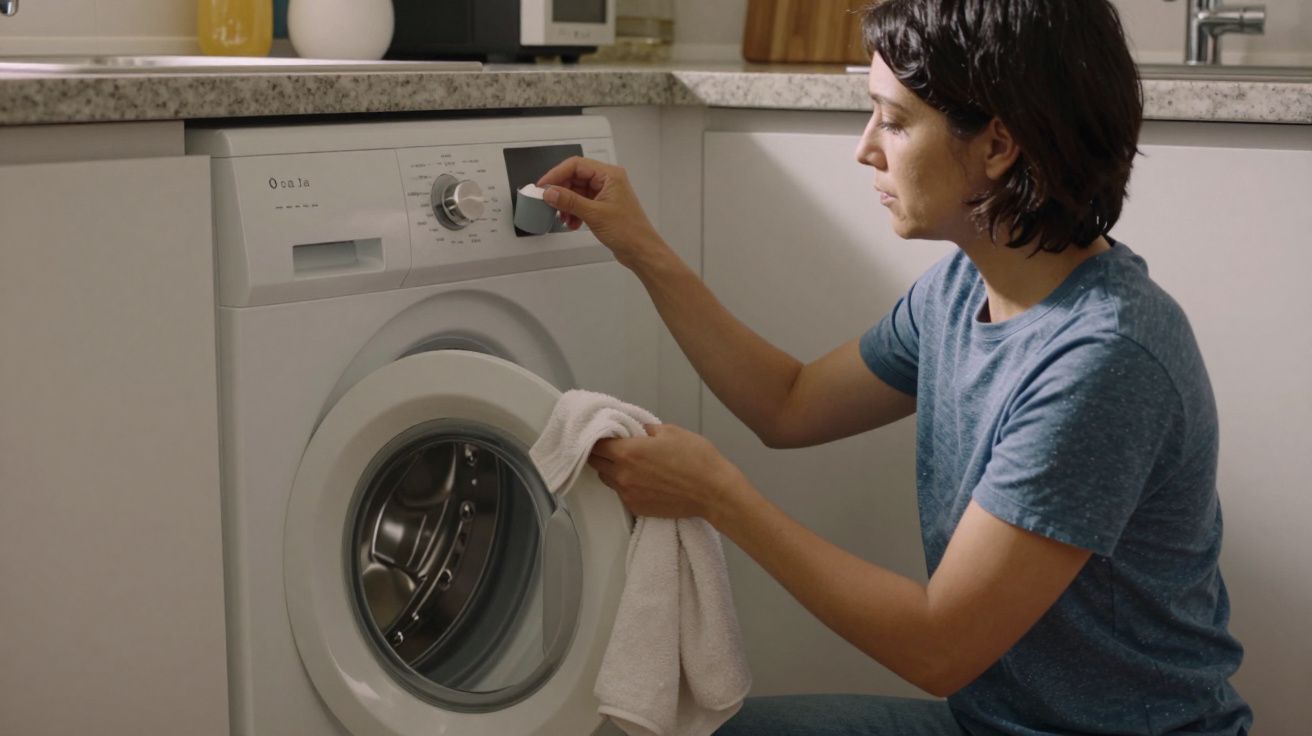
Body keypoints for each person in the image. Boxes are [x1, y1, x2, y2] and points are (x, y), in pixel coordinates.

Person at [536, 0, 1253, 733]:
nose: (865, 148)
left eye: (895, 119)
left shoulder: (1100, 361)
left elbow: (940, 648)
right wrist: (642, 249)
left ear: (997, 146)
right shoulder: (964, 287)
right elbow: (788, 403)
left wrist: (719, 496)